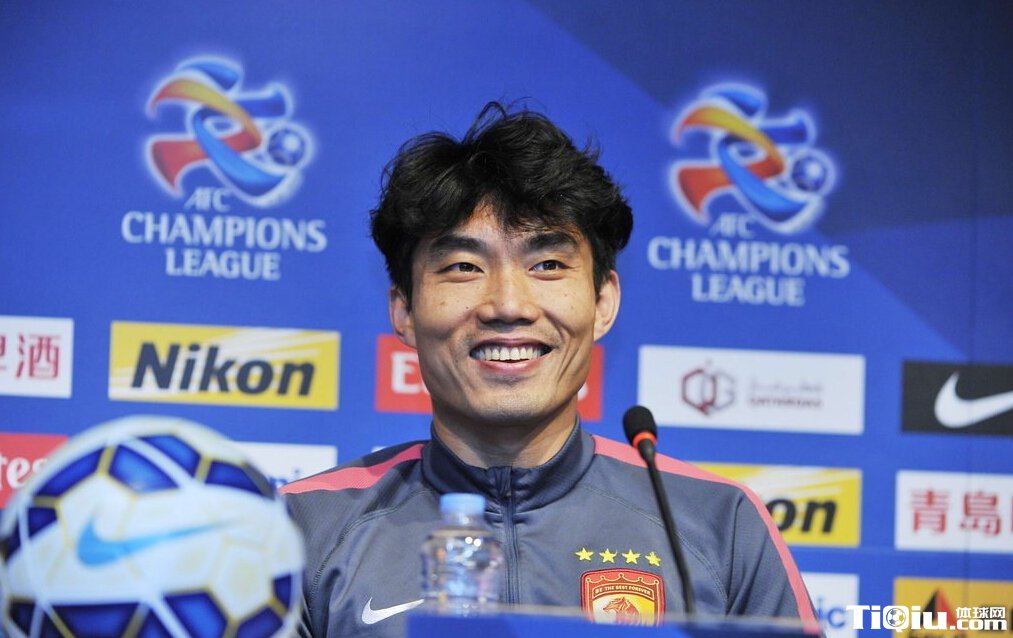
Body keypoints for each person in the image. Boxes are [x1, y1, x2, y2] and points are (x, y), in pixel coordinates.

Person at [281, 103, 818, 637]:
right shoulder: (300, 532)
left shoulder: (720, 524)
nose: (508, 305)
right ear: (404, 311)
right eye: (464, 266)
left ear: (603, 301)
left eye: (548, 265)